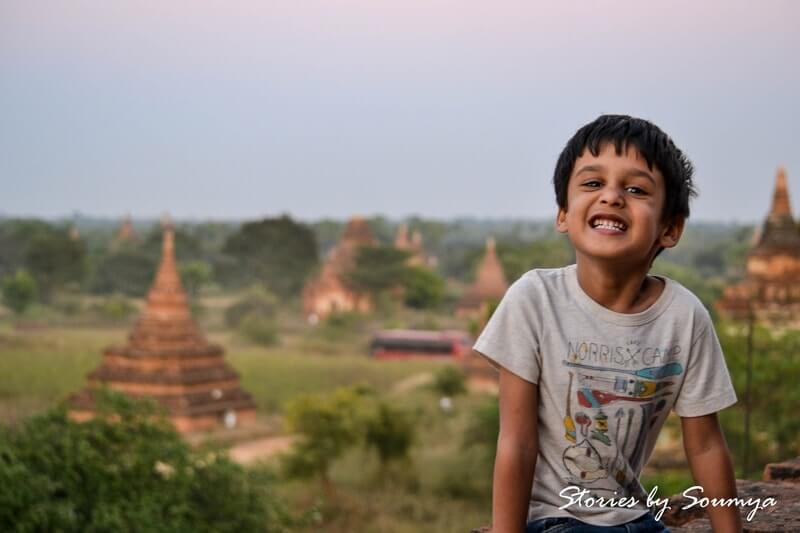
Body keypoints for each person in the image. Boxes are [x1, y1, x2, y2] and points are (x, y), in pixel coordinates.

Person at [474, 115, 742, 533]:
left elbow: (706, 445)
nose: (612, 197)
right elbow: (517, 442)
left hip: (638, 519)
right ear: (564, 213)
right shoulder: (535, 298)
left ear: (669, 229)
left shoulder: (684, 317)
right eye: (592, 183)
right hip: (555, 519)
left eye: (635, 189)